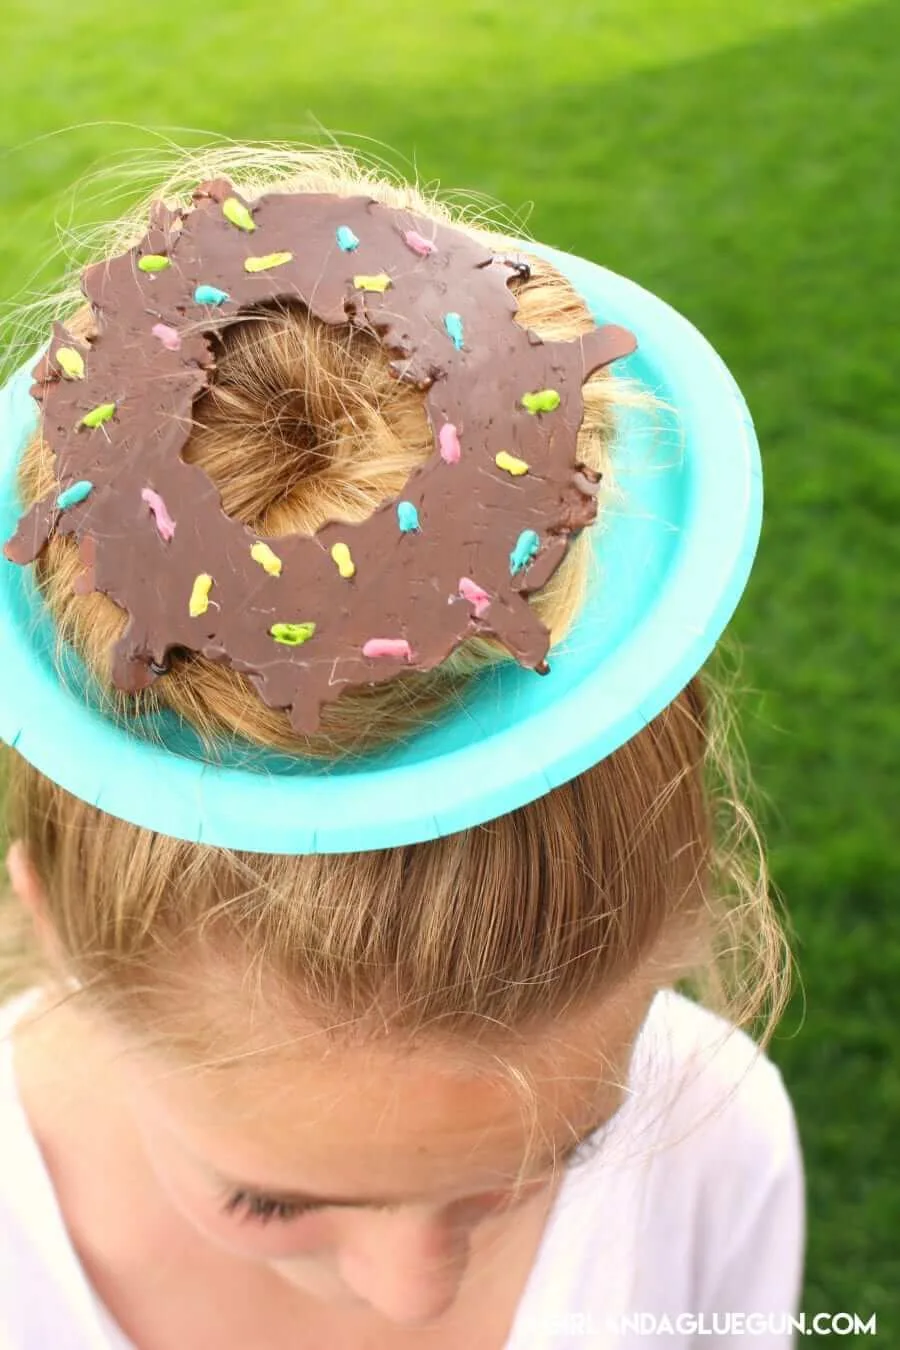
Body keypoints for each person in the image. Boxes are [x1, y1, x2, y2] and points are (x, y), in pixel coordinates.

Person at [0, 145, 804, 1349]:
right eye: (269, 1201)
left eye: (557, 1156)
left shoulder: (716, 1142)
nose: (414, 1295)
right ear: (49, 932)